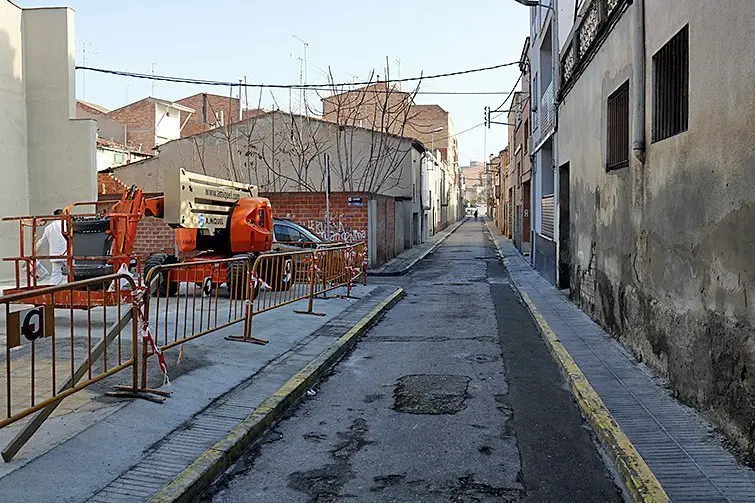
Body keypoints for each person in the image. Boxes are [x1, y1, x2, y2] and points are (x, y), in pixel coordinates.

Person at [35, 209, 67, 285]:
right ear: (63, 215)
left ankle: (51, 292)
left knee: (56, 274)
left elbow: (41, 242)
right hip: (67, 253)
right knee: (73, 272)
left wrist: (34, 251)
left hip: (55, 255)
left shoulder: (49, 228)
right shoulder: (67, 224)